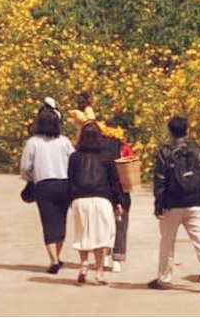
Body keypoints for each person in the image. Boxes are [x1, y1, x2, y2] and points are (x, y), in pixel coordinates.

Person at [148, 116, 200, 294]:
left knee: (167, 242)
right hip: (196, 203)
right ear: (187, 130)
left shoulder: (165, 152)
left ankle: (164, 279)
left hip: (172, 204)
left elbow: (160, 180)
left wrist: (158, 205)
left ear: (170, 132)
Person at [20, 102, 75, 274]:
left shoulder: (33, 142)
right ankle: (57, 257)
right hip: (64, 184)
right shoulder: (64, 141)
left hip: (43, 185)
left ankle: (53, 260)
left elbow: (25, 167)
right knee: (61, 220)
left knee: (48, 222)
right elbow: (73, 162)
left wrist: (31, 179)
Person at [68, 121, 124, 285]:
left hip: (80, 200)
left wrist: (71, 200)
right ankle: (99, 272)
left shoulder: (74, 157)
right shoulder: (107, 156)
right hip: (102, 200)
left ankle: (84, 264)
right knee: (102, 237)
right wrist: (118, 202)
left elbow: (70, 180)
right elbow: (115, 182)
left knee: (83, 233)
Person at [100, 131, 132, 273]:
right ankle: (117, 259)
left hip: (102, 189)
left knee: (102, 225)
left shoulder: (95, 147)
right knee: (121, 224)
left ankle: (104, 256)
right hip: (122, 190)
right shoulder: (123, 148)